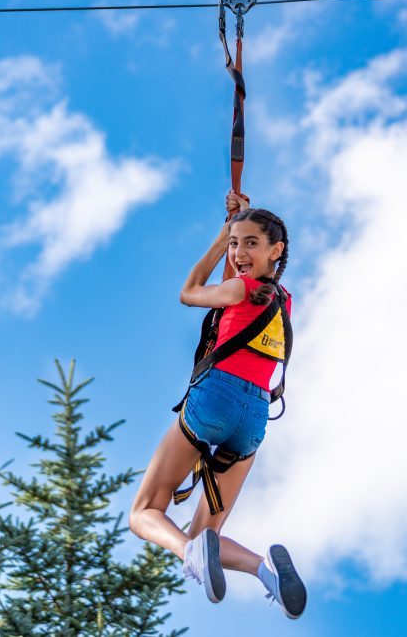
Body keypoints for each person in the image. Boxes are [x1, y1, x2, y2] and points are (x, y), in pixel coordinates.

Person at [129, 190, 306, 620]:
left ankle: (189, 554)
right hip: (254, 417)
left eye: (250, 243)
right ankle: (266, 573)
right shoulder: (281, 301)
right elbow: (243, 280)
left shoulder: (239, 289)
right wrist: (236, 225)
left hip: (216, 398)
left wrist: (220, 235)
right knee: (208, 531)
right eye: (235, 243)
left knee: (145, 512)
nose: (239, 251)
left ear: (275, 250)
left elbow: (189, 292)